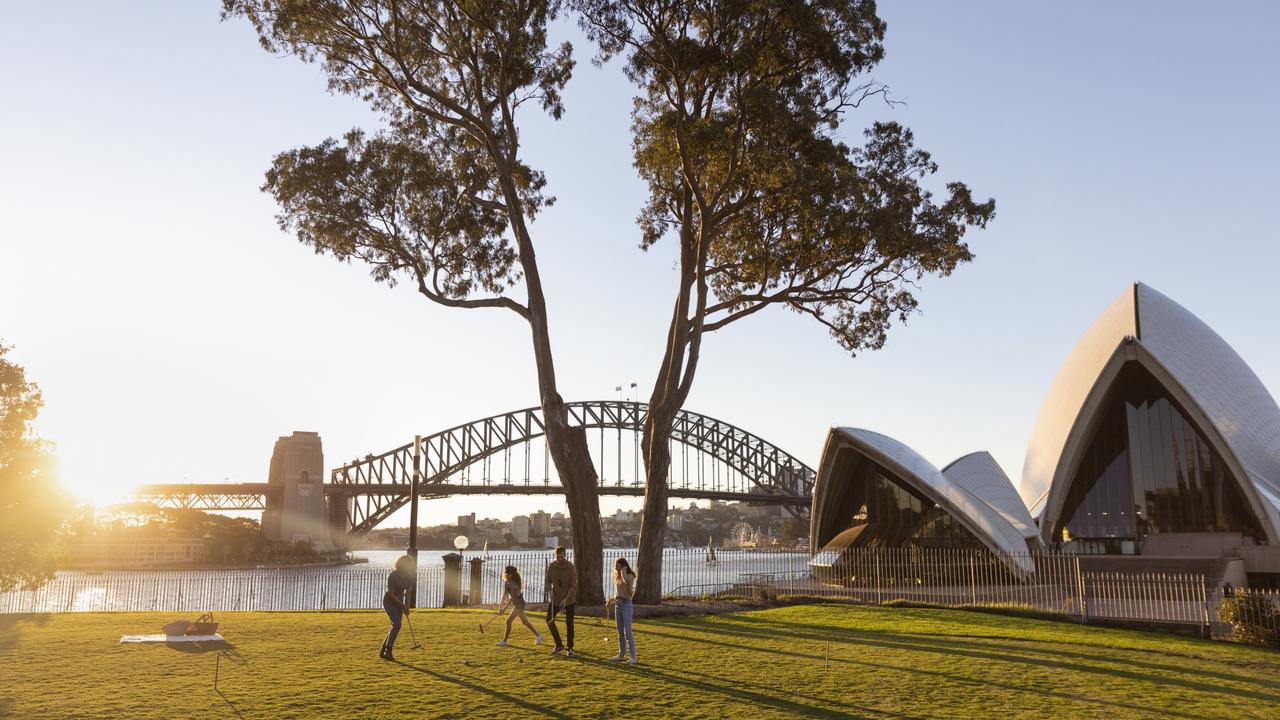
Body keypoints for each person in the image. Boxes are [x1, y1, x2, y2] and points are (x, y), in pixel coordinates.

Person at [495, 565, 543, 647]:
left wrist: (504, 609)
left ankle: (504, 641)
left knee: (508, 621)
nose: (507, 575)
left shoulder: (514, 583)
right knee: (525, 622)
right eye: (506, 573)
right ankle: (538, 635)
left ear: (512, 574)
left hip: (519, 604)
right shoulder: (507, 582)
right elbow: (505, 595)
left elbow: (511, 598)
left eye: (509, 574)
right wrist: (500, 608)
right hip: (517, 603)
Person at [380, 554, 414, 661]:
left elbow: (408, 593)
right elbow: (391, 594)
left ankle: (383, 649)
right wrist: (402, 605)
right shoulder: (393, 576)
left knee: (395, 625)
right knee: (397, 624)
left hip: (399, 601)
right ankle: (388, 651)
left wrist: (407, 606)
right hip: (390, 602)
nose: (410, 567)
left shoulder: (409, 576)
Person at [544, 545, 577, 656]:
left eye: (561, 557)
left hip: (569, 600)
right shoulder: (552, 566)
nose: (559, 559)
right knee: (549, 620)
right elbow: (548, 580)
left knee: (569, 624)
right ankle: (558, 644)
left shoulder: (571, 568)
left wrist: (565, 600)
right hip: (556, 599)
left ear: (565, 555)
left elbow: (573, 586)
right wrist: (549, 591)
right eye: (557, 557)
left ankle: (570, 648)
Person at [606, 557, 637, 664]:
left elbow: (628, 589)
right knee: (620, 632)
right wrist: (611, 599)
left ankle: (633, 657)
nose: (615, 568)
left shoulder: (630, 575)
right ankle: (621, 655)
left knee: (627, 632)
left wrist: (623, 571)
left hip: (627, 604)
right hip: (618, 604)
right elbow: (618, 593)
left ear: (623, 566)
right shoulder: (618, 576)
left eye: (617, 566)